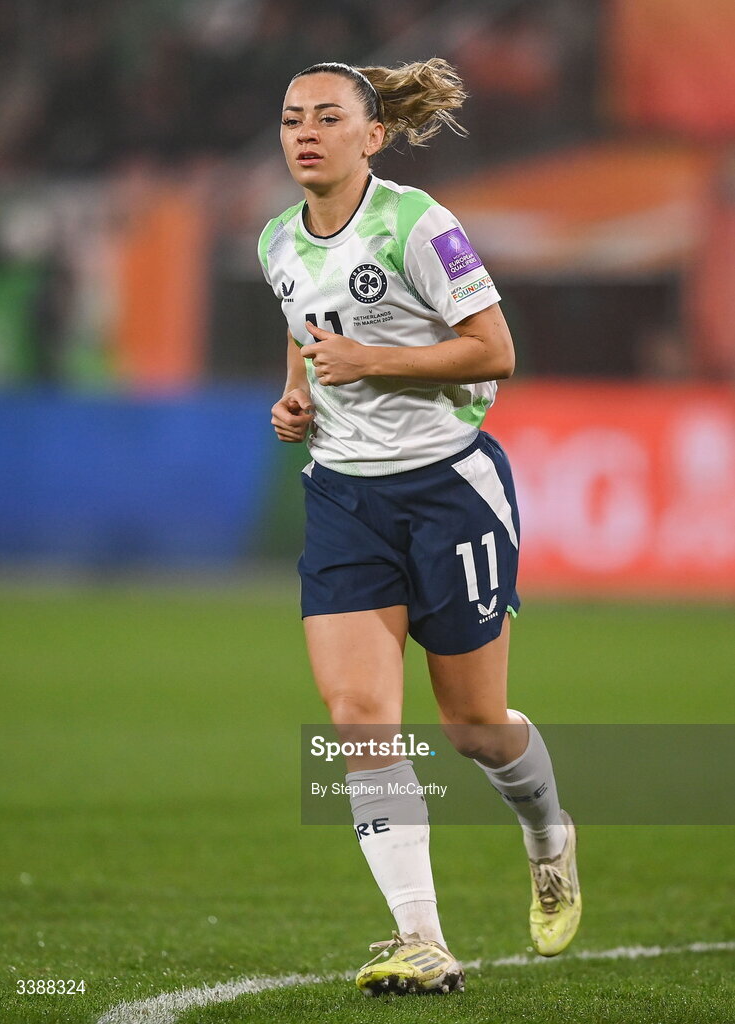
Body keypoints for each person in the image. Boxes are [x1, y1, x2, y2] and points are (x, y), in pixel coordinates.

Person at [258, 58, 581, 997]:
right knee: (358, 719)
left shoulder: (417, 223)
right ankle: (421, 939)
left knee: (475, 726)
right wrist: (296, 395)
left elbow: (495, 350)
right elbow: (305, 328)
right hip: (343, 498)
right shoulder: (278, 237)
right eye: (289, 119)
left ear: (374, 135)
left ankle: (548, 831)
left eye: (325, 117)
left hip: (448, 489)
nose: (304, 133)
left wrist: (375, 361)